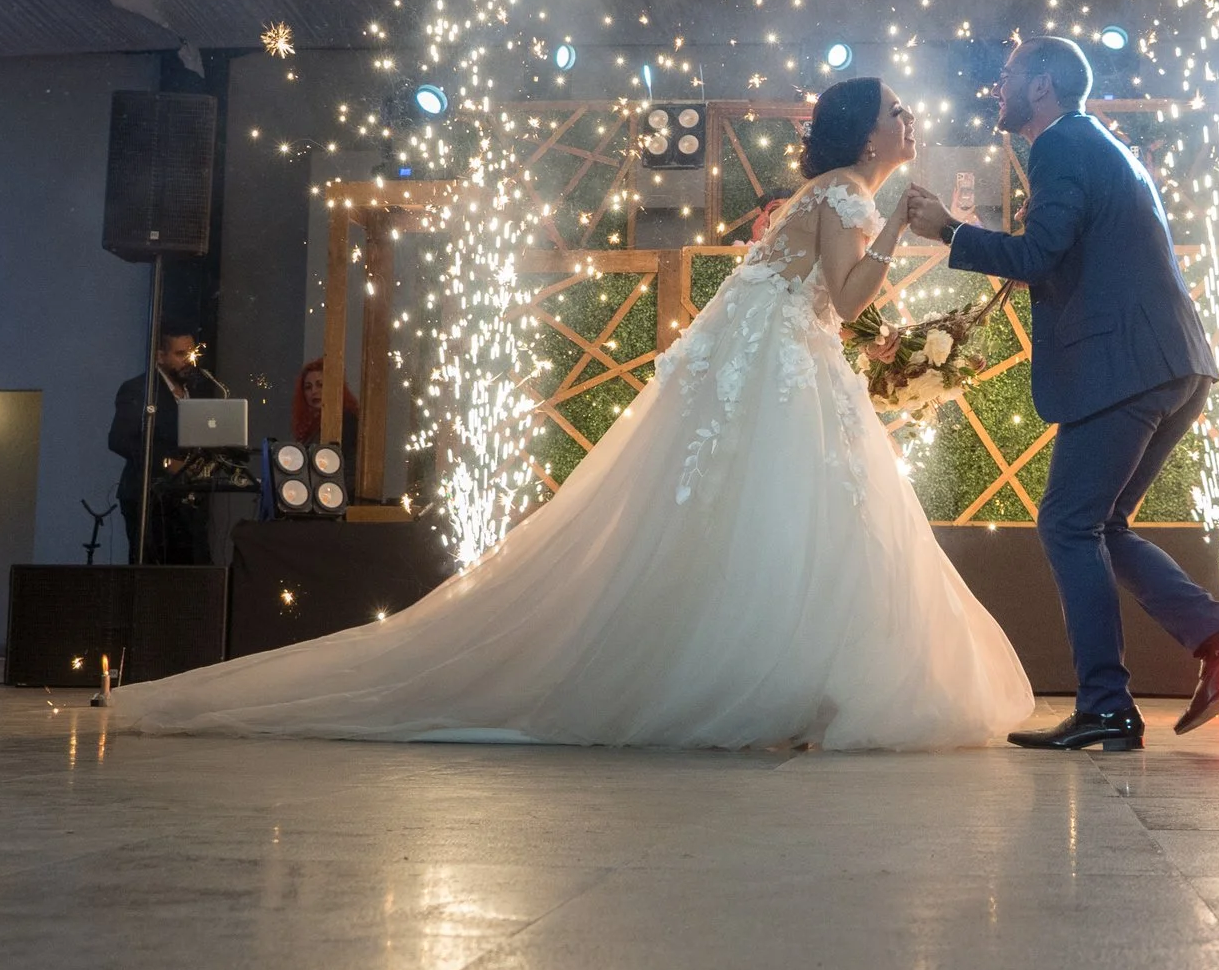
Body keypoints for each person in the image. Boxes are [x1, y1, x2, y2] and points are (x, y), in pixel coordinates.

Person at [111, 77, 1030, 748]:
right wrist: (912, 235)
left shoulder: (830, 194)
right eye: (895, 110)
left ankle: (789, 689)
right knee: (805, 528)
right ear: (868, 137)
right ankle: (790, 691)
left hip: (789, 376)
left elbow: (824, 304)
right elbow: (851, 295)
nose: (908, 118)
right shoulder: (845, 195)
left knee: (788, 530)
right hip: (789, 381)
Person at [904, 36, 1219, 752]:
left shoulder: (1062, 144)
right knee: (1104, 526)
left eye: (1006, 78)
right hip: (1171, 363)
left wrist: (947, 228)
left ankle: (1106, 702)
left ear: (1041, 83)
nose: (995, 91)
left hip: (1124, 365)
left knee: (1068, 525)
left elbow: (1040, 257)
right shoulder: (1101, 144)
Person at [106, 331, 226, 565]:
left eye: (191, 353)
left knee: (196, 566)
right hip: (150, 498)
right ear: (160, 356)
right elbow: (119, 440)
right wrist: (168, 463)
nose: (189, 360)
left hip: (187, 499)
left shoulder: (198, 389)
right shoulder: (140, 389)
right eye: (181, 354)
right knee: (156, 571)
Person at [288, 356, 358, 445]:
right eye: (308, 387)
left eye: (320, 385)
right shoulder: (311, 424)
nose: (314, 391)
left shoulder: (346, 420)